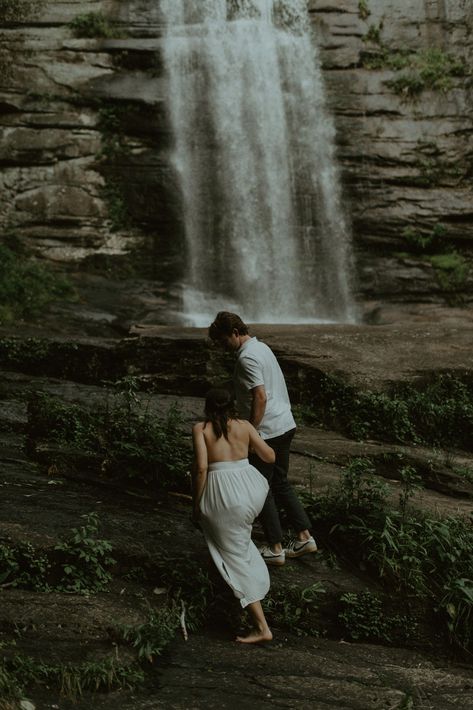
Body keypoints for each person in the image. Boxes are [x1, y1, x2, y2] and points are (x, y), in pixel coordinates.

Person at [208, 311, 317, 567]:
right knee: (280, 483)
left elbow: (260, 397)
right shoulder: (262, 348)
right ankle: (304, 537)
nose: (223, 348)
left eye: (224, 341)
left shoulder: (247, 358)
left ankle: (275, 546)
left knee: (262, 487)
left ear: (235, 333)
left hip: (268, 430)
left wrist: (250, 431)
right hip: (285, 424)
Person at [191, 387, 276, 644]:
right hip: (250, 491)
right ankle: (254, 589)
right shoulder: (245, 426)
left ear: (208, 406)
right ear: (231, 405)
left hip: (223, 493)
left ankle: (262, 627)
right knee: (239, 545)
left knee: (235, 556)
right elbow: (270, 456)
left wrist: (197, 504)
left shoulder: (201, 429)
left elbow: (202, 468)